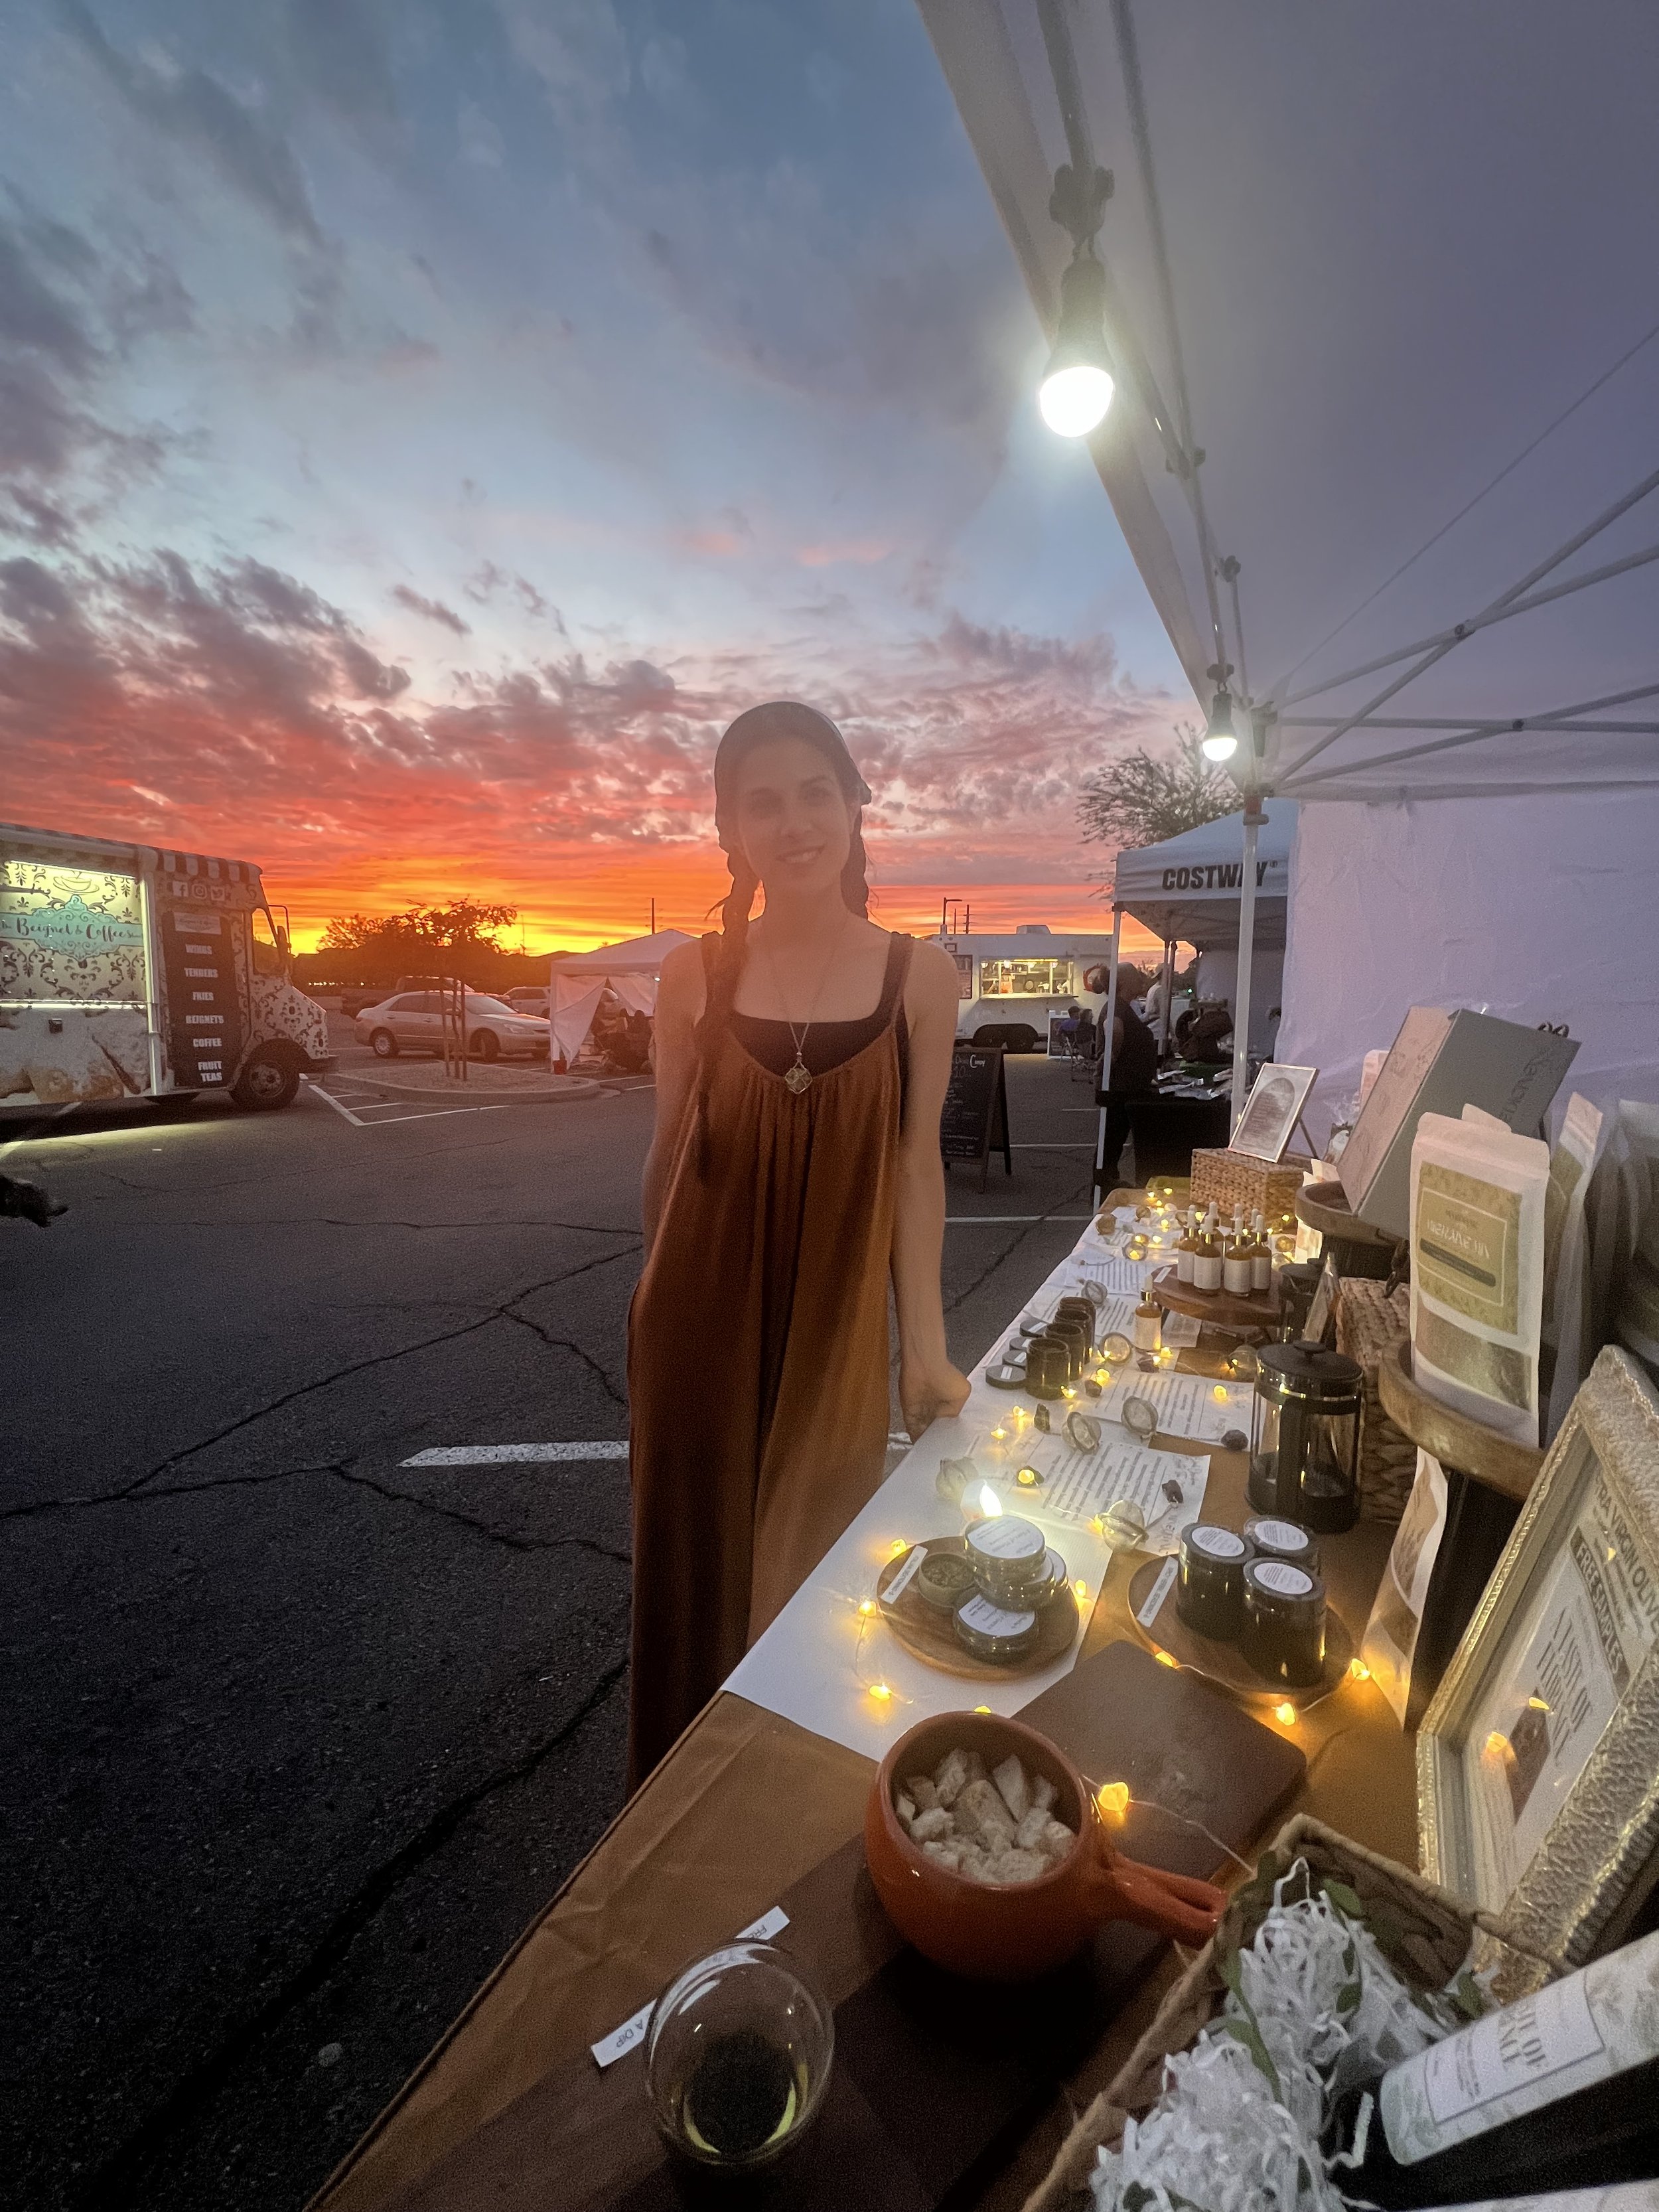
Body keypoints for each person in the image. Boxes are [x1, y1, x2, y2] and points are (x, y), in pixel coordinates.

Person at [626, 701, 970, 1785]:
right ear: (729, 829)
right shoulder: (694, 976)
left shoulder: (922, 976)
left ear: (859, 805)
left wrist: (925, 1345)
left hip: (835, 1324)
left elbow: (919, 1168)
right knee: (693, 1586)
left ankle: (779, 1809)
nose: (794, 820)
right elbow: (665, 1157)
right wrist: (652, 1316)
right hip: (695, 1327)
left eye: (817, 790)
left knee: (811, 1579)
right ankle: (677, 1825)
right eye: (760, 801)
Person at [1098, 997, 1159, 1189]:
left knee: (1115, 1135)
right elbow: (1114, 1030)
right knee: (1112, 1135)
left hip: (1125, 1085)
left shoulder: (1123, 1006)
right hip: (1120, 1087)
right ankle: (1106, 1182)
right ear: (1124, 982)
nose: (1140, 981)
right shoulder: (1116, 1006)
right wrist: (1112, 1058)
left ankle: (1108, 1178)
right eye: (1135, 977)